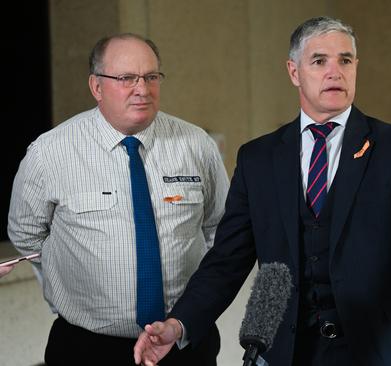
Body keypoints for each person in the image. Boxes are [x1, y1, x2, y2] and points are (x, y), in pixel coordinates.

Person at [134, 16, 391, 366]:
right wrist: (178, 323)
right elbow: (226, 261)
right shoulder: (258, 159)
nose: (334, 71)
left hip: (378, 351)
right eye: (319, 61)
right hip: (289, 354)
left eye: (345, 60)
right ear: (294, 72)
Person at [7, 33, 229, 365]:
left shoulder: (196, 145)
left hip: (184, 344)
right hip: (87, 347)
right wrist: (68, 289)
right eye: (126, 78)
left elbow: (221, 232)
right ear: (96, 87)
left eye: (151, 77)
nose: (142, 89)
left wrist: (195, 309)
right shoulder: (50, 153)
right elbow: (27, 235)